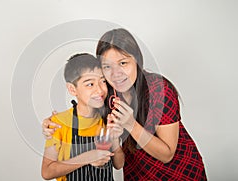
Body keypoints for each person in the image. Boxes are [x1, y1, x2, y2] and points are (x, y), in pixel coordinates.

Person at [42, 28, 207, 180]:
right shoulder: (108, 93)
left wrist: (131, 124)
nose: (116, 74)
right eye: (107, 67)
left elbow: (167, 154)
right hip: (138, 175)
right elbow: (83, 107)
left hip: (179, 174)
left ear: (136, 60)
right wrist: (51, 122)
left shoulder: (159, 90)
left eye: (123, 63)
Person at [41, 53, 124, 181]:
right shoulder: (59, 123)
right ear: (72, 89)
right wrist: (87, 158)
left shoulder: (107, 119)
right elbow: (47, 172)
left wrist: (115, 141)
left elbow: (119, 164)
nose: (100, 90)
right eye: (90, 84)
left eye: (102, 81)